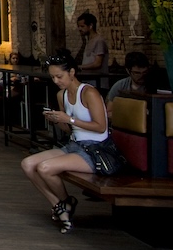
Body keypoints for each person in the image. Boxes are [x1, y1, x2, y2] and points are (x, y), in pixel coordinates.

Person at [20, 51, 109, 234]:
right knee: (28, 164)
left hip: (96, 149)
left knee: (45, 168)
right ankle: (60, 204)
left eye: (59, 76)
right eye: (53, 77)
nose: (56, 81)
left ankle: (66, 204)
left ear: (72, 72)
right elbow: (68, 130)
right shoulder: (62, 95)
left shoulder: (89, 93)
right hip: (75, 145)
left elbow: (101, 127)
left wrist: (69, 120)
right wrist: (57, 120)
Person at [75, 12, 110, 86]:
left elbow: (97, 63)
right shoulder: (89, 40)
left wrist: (79, 67)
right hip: (88, 81)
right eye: (79, 26)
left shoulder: (99, 41)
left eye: (82, 26)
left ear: (90, 26)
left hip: (98, 82)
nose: (79, 29)